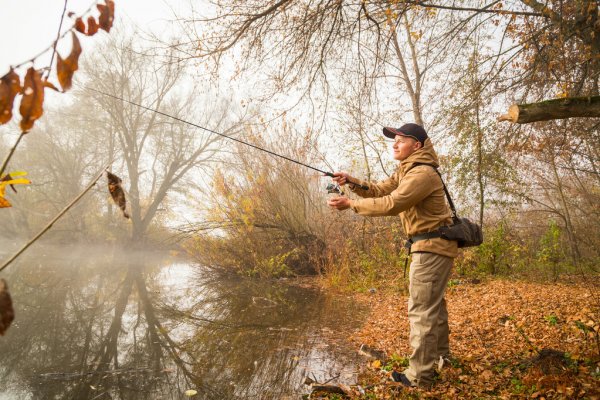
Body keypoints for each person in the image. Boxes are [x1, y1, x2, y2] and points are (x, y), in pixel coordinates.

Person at [327, 123, 458, 388]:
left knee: (421, 311)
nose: (394, 144)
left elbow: (392, 203)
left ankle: (419, 376)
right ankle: (442, 358)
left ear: (417, 146)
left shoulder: (422, 174)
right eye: (394, 140)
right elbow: (378, 189)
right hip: (433, 246)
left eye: (400, 140)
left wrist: (350, 204)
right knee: (434, 307)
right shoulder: (407, 170)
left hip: (431, 248)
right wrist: (351, 182)